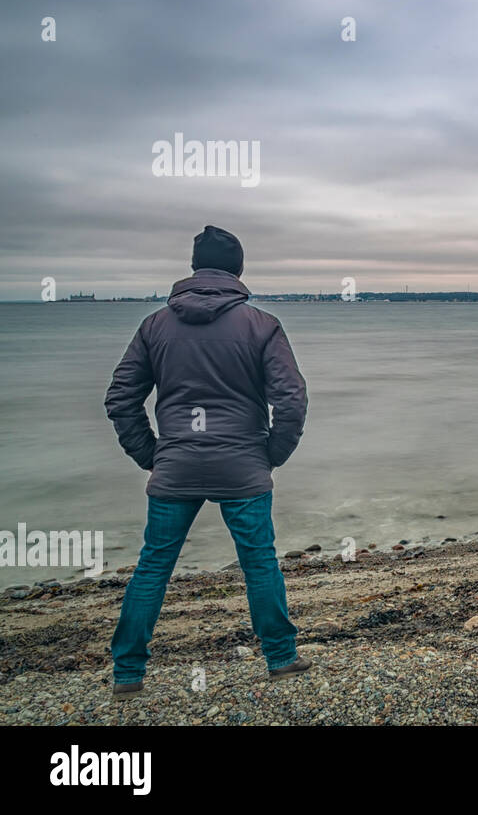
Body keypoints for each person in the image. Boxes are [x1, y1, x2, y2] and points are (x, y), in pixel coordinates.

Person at [104, 226, 310, 699]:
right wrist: (270, 454)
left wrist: (152, 454)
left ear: (195, 267)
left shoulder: (155, 325)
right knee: (259, 561)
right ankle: (280, 657)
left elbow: (120, 398)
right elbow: (292, 401)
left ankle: (128, 675)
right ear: (237, 269)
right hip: (242, 465)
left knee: (153, 565)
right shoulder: (262, 325)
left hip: (176, 464)